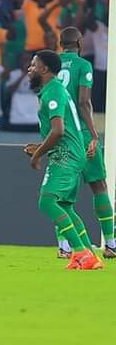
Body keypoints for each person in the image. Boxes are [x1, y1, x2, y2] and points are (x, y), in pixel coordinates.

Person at [23, 50, 103, 270]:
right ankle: (90, 256)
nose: (29, 69)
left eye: (33, 65)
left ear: (44, 69)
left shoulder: (54, 92)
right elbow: (60, 131)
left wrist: (38, 155)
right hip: (69, 152)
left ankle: (80, 252)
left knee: (47, 201)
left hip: (65, 154)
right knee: (65, 206)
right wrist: (41, 147)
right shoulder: (52, 90)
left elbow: (58, 130)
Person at [54, 27, 115, 259]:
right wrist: (93, 134)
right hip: (82, 134)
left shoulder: (51, 65)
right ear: (80, 42)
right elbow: (83, 101)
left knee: (61, 193)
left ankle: (64, 246)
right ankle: (110, 243)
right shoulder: (83, 66)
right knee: (99, 186)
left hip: (60, 136)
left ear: (61, 44)